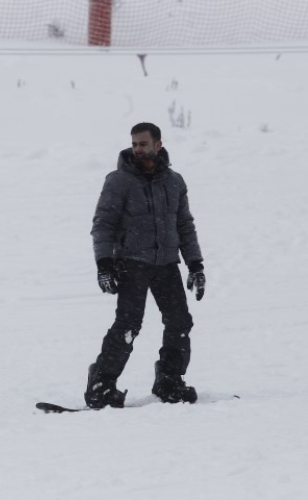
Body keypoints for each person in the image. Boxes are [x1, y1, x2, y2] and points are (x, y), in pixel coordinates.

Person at [85, 122, 206, 409]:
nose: (138, 149)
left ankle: (169, 380)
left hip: (166, 263)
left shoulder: (174, 181)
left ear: (158, 145)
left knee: (179, 322)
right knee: (128, 325)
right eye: (134, 144)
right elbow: (103, 224)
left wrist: (195, 264)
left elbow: (184, 225)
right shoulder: (119, 181)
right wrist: (104, 264)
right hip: (132, 263)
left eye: (143, 144)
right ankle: (102, 384)